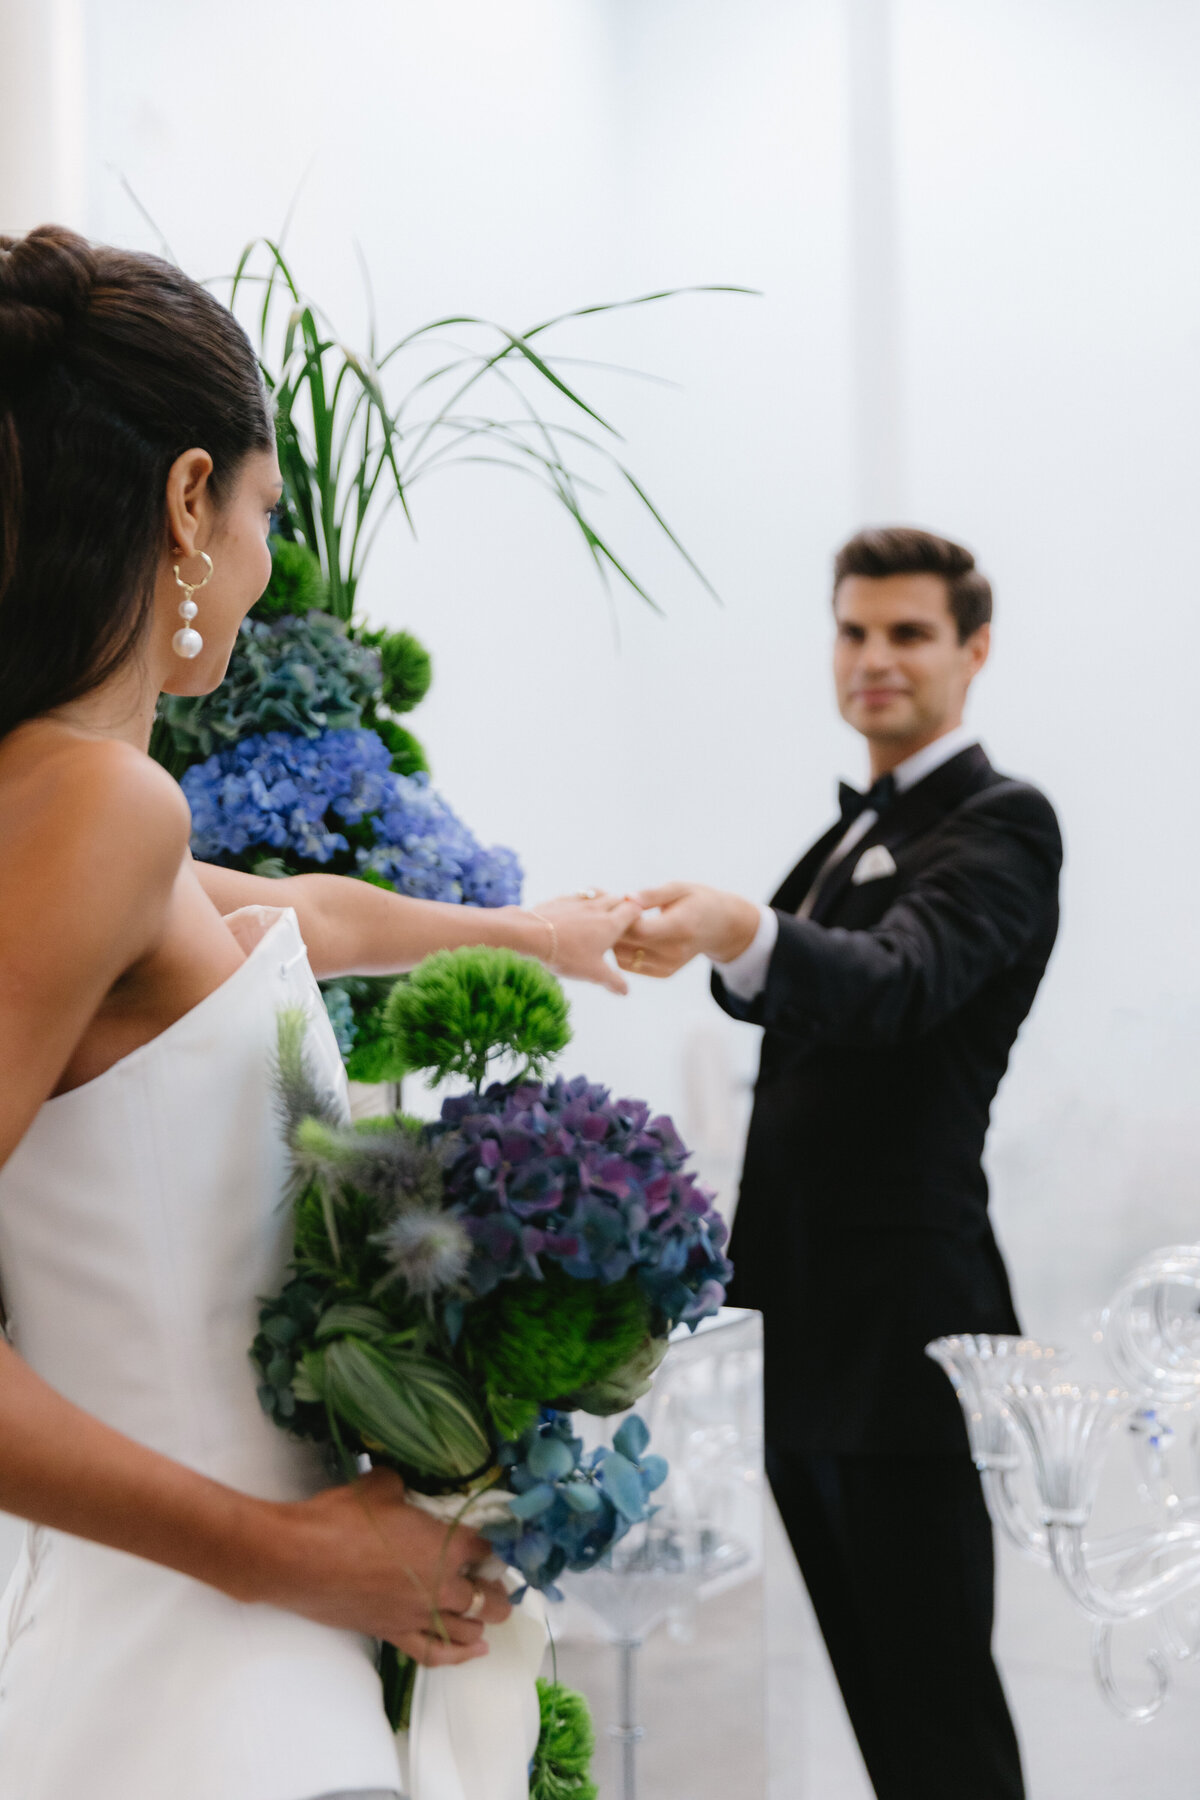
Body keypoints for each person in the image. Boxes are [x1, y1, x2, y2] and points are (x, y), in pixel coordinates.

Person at [0, 224, 642, 1800]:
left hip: (191, 1644)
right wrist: (285, 1554)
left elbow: (307, 918)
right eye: (267, 513)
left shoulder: (68, 804)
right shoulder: (99, 808)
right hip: (211, 1664)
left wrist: (543, 935)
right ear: (185, 501)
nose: (269, 562)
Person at [616, 526, 1062, 1800]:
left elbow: (897, 980)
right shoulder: (850, 836)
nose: (875, 658)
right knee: (881, 1716)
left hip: (910, 1347)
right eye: (854, 630)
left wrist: (736, 925)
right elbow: (773, 993)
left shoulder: (1002, 824)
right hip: (803, 1340)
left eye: (909, 632)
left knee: (938, 1725)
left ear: (974, 651)